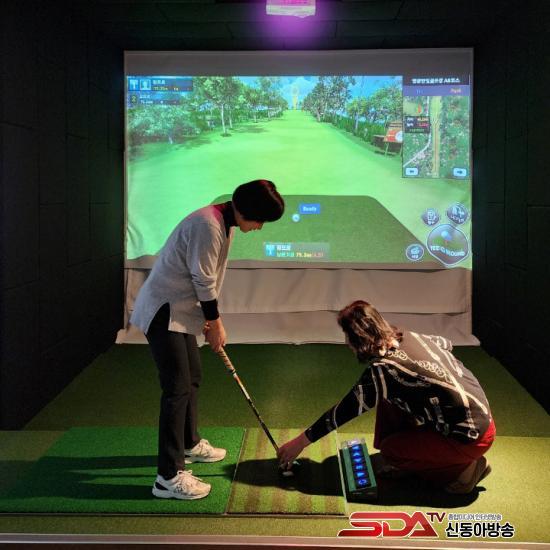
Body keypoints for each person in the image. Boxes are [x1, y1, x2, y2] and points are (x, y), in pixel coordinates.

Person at [131, 180, 284, 500]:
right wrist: (215, 323)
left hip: (179, 311)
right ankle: (168, 477)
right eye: (260, 220)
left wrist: (209, 319)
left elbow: (205, 278)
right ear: (248, 211)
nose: (259, 227)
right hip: (163, 311)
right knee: (176, 389)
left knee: (192, 378)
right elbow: (202, 278)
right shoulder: (208, 225)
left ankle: (188, 443)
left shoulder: (224, 222)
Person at [277, 300, 496, 494]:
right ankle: (425, 457)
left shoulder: (385, 370)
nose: (346, 343)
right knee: (388, 397)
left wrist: (299, 443)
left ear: (357, 339)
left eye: (347, 336)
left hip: (470, 438)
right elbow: (446, 344)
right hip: (481, 418)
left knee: (392, 452)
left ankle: (464, 471)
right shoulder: (410, 335)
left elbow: (344, 411)